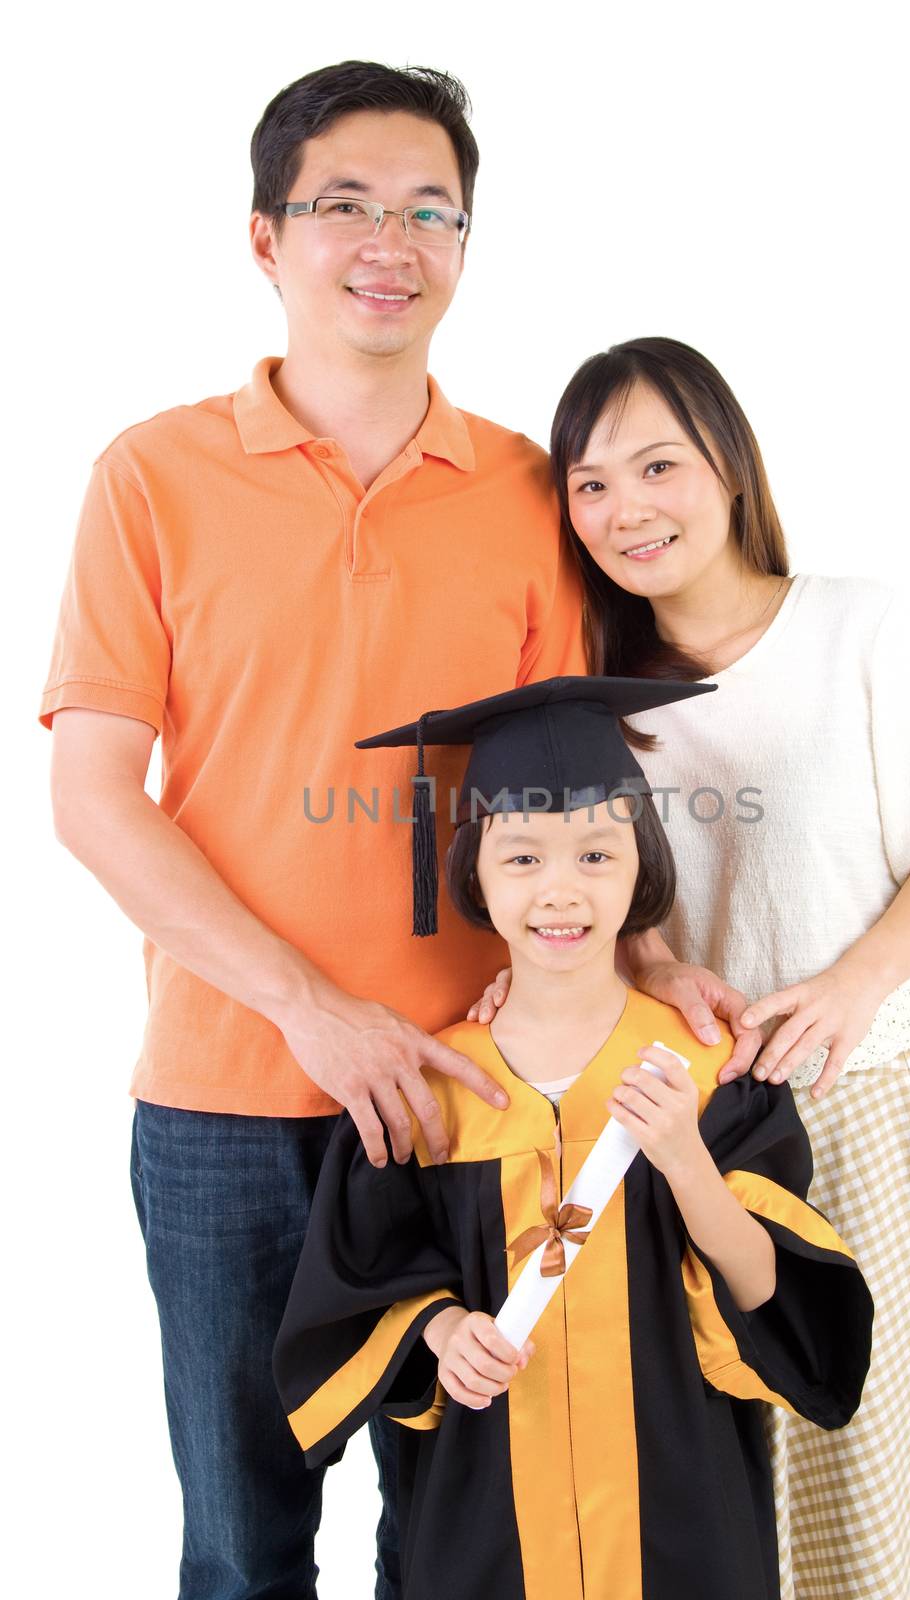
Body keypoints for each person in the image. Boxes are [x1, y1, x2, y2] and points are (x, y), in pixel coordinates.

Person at [38, 66, 758, 1599]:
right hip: (225, 1102)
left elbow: (571, 780)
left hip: (480, 1095)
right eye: (345, 203)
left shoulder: (518, 487)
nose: (392, 239)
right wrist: (315, 1008)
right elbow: (94, 794)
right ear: (264, 236)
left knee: (457, 1534)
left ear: (464, 245)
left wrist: (653, 958)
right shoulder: (150, 477)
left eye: (432, 209)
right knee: (242, 1543)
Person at [476, 335, 910, 1598]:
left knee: (895, 1491)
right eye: (589, 484)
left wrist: (852, 987)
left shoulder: (857, 628)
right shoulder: (593, 697)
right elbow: (587, 892)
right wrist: (609, 964)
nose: (625, 508)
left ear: (728, 468)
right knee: (725, 1500)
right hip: (687, 1140)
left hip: (862, 1118)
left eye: (657, 465)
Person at [273, 676, 874, 1600]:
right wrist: (442, 1330)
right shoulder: (433, 1094)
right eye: (521, 860)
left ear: (645, 870)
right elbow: (357, 1288)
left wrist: (683, 1157)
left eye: (598, 853)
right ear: (470, 872)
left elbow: (775, 1294)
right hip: (484, 1526)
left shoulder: (708, 1071)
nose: (561, 891)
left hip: (682, 1519)